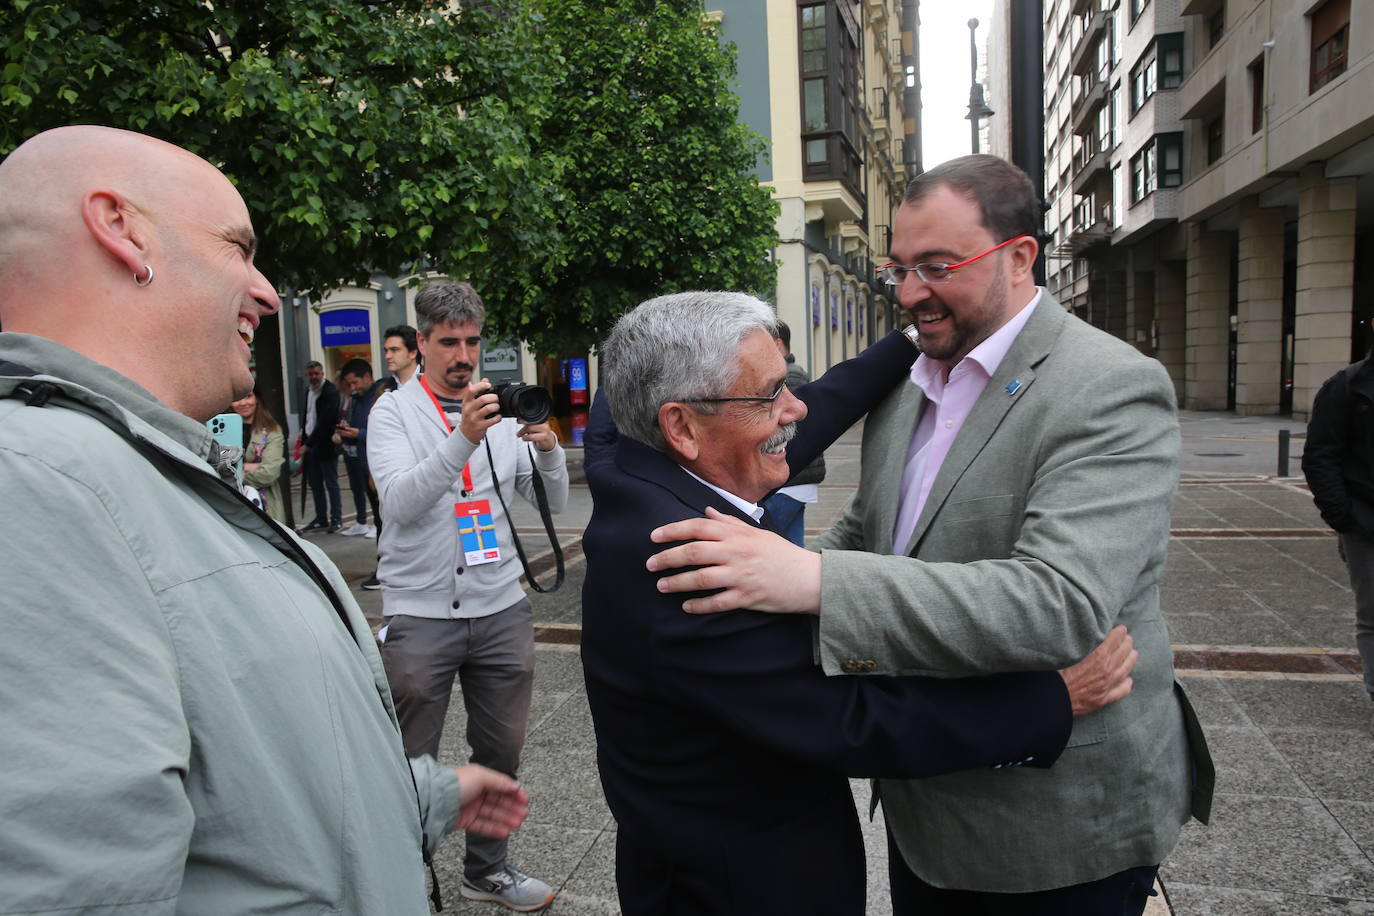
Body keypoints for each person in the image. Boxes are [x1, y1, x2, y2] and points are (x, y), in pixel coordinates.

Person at [648, 156, 1213, 914]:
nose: (912, 293)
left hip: (1057, 830)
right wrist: (763, 592)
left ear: (1020, 257)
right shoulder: (914, 376)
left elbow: (1060, 605)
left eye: (939, 267)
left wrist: (813, 582)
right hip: (929, 810)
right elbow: (871, 529)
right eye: (901, 269)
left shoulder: (1109, 386)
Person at [0, 125, 529, 913]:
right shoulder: (36, 488)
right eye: (236, 248)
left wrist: (415, 799)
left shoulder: (129, 467)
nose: (267, 291)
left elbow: (244, 791)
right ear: (119, 229)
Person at [584, 291, 1139, 916]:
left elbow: (815, 409)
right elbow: (853, 720)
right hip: (738, 890)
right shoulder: (683, 559)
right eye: (772, 394)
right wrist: (1051, 702)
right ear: (680, 425)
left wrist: (916, 337)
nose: (796, 408)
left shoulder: (643, 473)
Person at [369, 280, 569, 912]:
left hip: (500, 606)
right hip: (421, 612)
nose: (463, 354)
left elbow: (551, 505)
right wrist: (463, 438)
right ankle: (400, 878)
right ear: (421, 343)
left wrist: (551, 452)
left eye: (472, 341)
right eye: (448, 342)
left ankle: (486, 870)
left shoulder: (501, 412)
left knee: (501, 748)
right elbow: (399, 502)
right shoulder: (392, 412)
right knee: (409, 756)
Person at [1302, 336, 1374, 728]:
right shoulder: (1346, 387)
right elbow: (1320, 453)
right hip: (1366, 522)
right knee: (1373, 614)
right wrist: (1344, 517)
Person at [760, 319, 824, 545]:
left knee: (765, 547)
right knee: (793, 546)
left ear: (777, 345)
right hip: (796, 483)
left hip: (790, 483)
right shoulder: (793, 373)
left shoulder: (789, 376)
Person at [337, 357, 385, 537]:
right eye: (349, 384)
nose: (352, 388)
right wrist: (345, 436)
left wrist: (360, 434)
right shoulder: (355, 400)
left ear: (367, 377)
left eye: (355, 383)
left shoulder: (382, 396)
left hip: (380, 468)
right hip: (364, 466)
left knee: (386, 521)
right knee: (379, 521)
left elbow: (384, 433)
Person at [231, 382, 288, 524]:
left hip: (266, 504)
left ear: (257, 398)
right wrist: (252, 466)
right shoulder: (223, 431)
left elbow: (269, 473)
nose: (243, 403)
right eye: (237, 398)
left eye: (248, 396)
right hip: (233, 504)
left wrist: (238, 470)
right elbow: (216, 463)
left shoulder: (271, 431)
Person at [299, 358, 343, 533]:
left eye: (317, 373)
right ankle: (321, 518)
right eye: (311, 374)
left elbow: (325, 422)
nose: (314, 377)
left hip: (325, 445)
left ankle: (336, 519)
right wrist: (303, 440)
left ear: (323, 374)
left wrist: (308, 444)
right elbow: (308, 417)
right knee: (315, 483)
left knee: (331, 483)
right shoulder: (308, 391)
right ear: (306, 375)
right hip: (310, 444)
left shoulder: (330, 392)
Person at [384, 323, 421, 388]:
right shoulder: (383, 389)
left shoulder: (434, 383)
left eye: (394, 350)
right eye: (386, 351)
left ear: (413, 353)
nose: (387, 356)